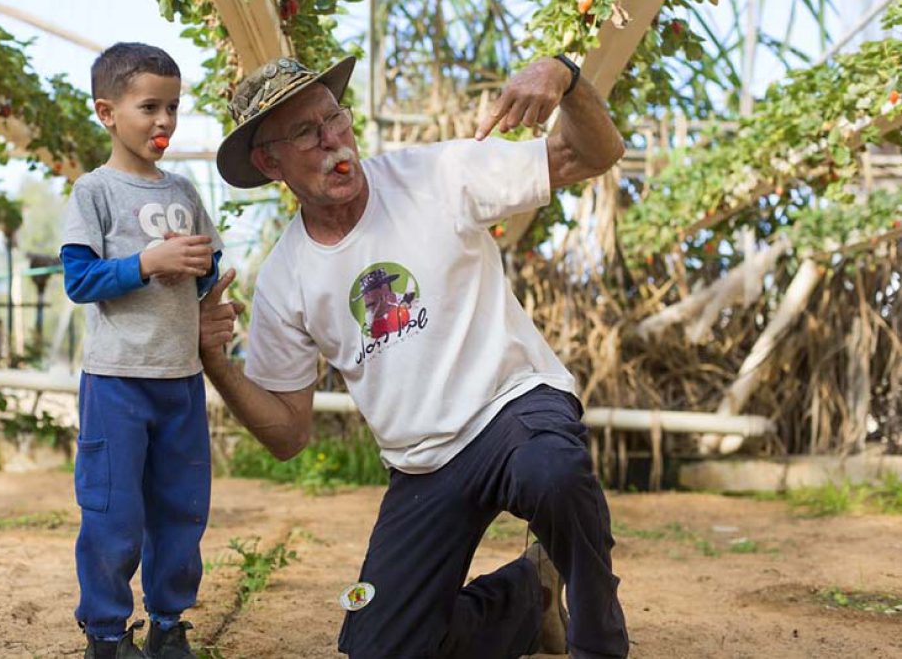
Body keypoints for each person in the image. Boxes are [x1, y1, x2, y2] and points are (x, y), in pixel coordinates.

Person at [199, 53, 628, 659]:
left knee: (552, 472)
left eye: (335, 119)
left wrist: (567, 76)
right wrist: (215, 362)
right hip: (423, 464)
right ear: (270, 163)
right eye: (306, 133)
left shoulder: (436, 175)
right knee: (381, 647)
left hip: (511, 408)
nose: (333, 141)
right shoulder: (284, 277)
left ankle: (600, 643)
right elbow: (288, 435)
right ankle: (527, 599)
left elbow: (595, 154)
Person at [60, 42, 223, 659]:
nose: (165, 121)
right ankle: (106, 636)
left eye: (173, 107)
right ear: (107, 112)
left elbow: (207, 267)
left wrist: (208, 281)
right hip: (116, 382)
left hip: (181, 379)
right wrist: (147, 263)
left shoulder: (184, 189)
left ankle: (168, 625)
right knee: (113, 513)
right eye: (149, 107)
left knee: (183, 509)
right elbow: (80, 281)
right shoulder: (94, 191)